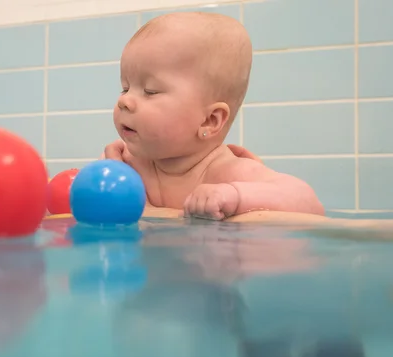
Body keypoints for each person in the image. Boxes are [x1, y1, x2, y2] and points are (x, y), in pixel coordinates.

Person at [101, 11, 324, 220]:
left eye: (150, 91)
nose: (124, 101)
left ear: (210, 120)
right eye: (125, 88)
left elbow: (310, 204)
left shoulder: (230, 172)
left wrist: (235, 196)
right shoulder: (127, 164)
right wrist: (105, 176)